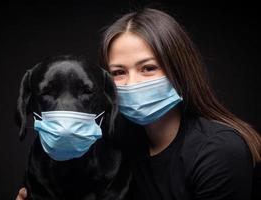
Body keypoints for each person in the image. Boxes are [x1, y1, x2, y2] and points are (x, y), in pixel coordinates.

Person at [16, 8, 261, 200]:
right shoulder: (111, 138)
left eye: (148, 68)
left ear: (179, 70)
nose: (132, 83)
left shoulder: (219, 153)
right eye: (119, 72)